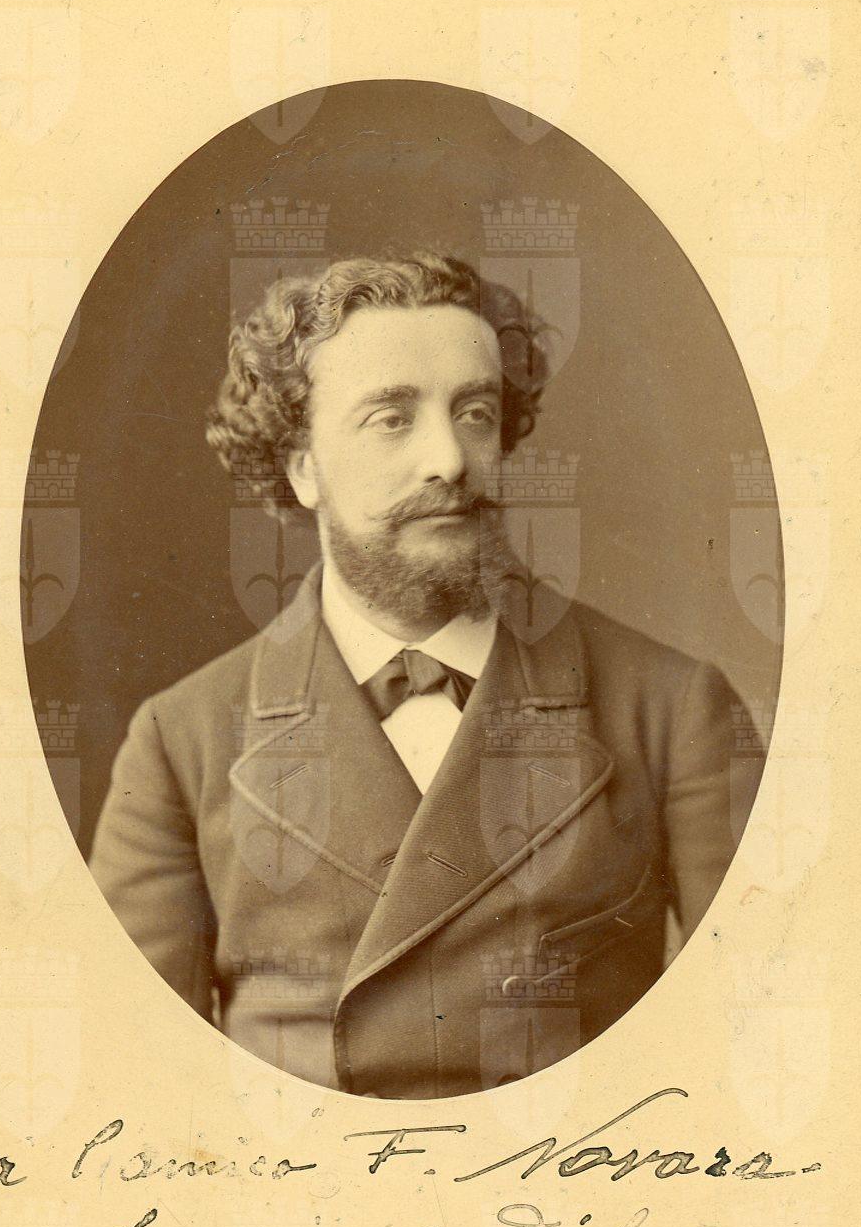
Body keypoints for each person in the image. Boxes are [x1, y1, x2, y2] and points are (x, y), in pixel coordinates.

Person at [90, 251, 760, 1099]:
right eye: (391, 419)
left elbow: (757, 1041)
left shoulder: (670, 708)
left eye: (475, 413)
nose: (449, 458)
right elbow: (137, 1087)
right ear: (301, 465)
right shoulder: (179, 743)